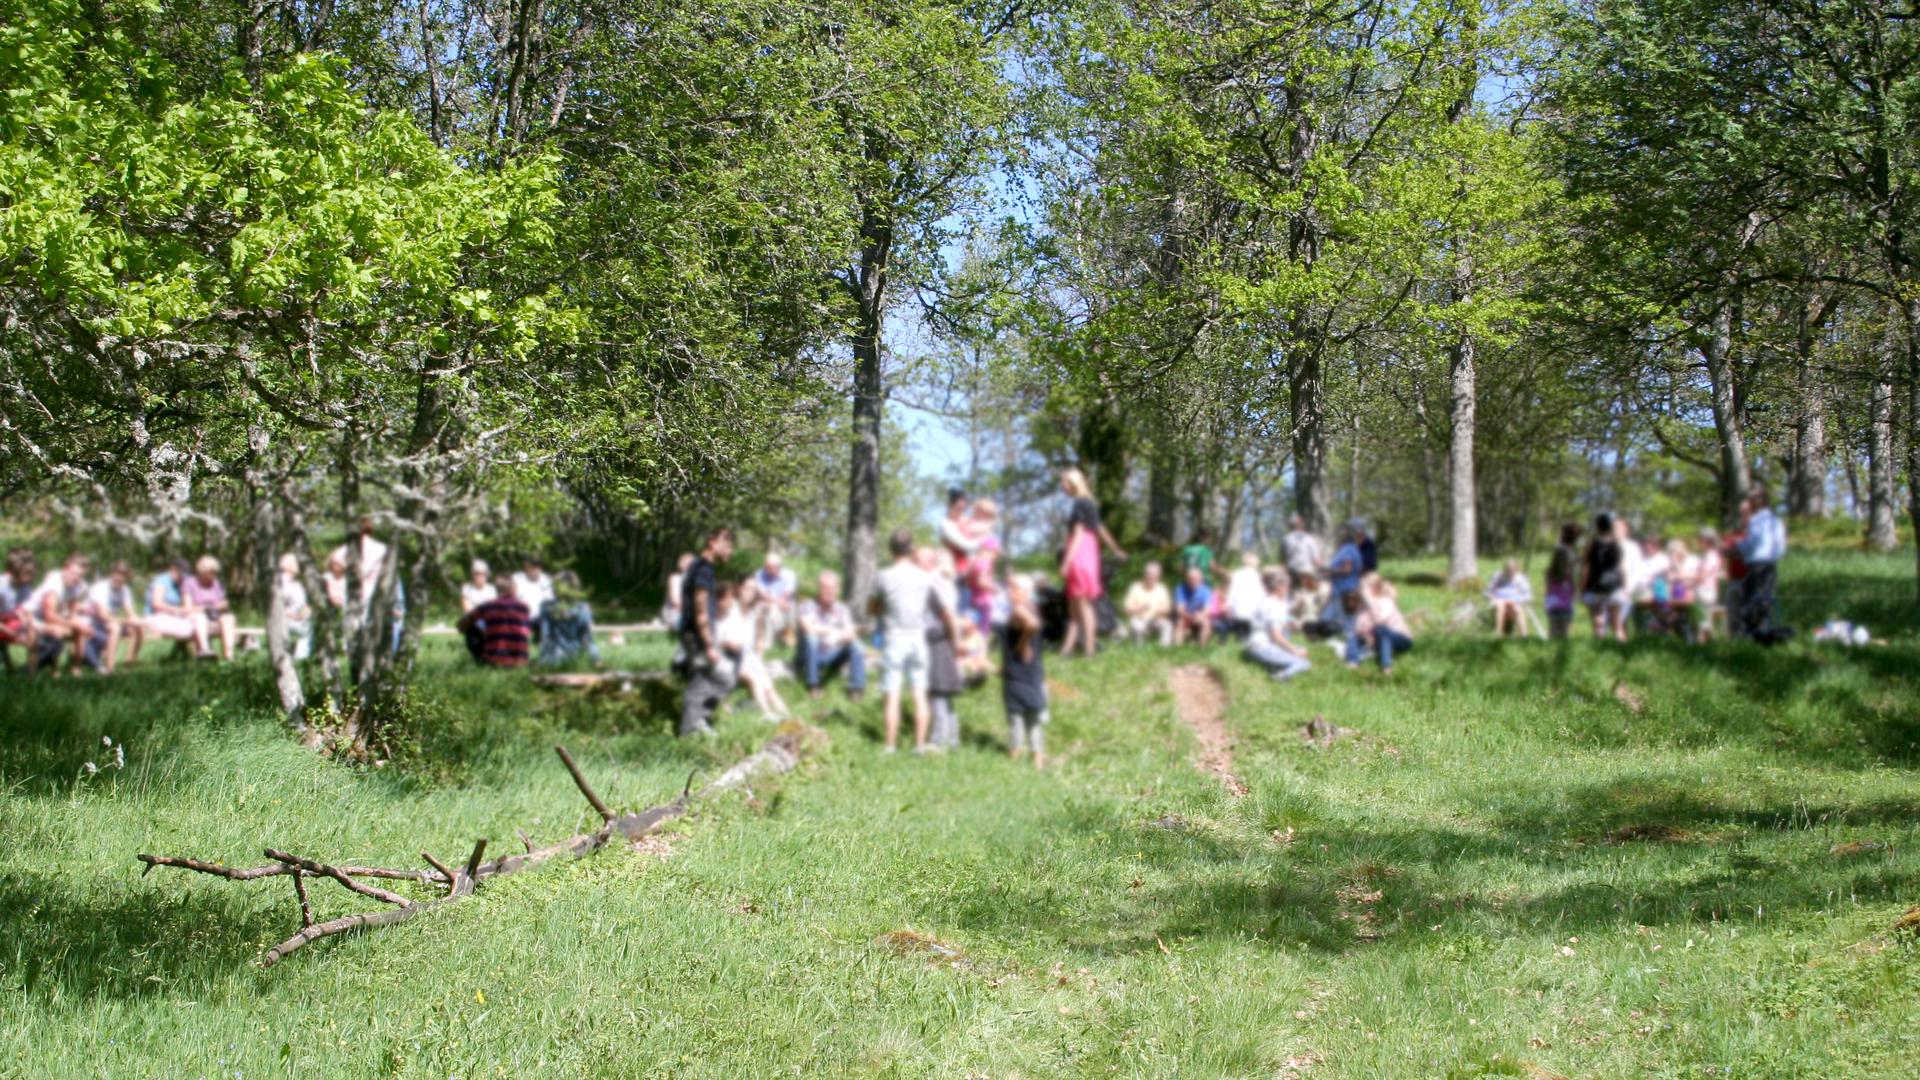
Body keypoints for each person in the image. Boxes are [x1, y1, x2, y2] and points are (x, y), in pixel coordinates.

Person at [873, 527, 955, 753]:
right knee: (919, 692)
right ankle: (919, 745)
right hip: (918, 638)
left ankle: (890, 745)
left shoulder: (883, 576)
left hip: (895, 637)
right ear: (910, 550)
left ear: (891, 550)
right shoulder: (924, 578)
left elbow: (873, 608)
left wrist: (885, 607)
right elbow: (936, 607)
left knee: (893, 693)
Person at [1058, 467, 1126, 657]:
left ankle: (1089, 650)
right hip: (1089, 554)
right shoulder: (1090, 503)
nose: (1062, 487)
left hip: (1080, 554)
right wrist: (1115, 549)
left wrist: (1066, 562)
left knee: (1083, 606)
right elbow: (1101, 528)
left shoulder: (1080, 503)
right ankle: (1066, 650)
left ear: (1072, 483)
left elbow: (1078, 534)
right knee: (1074, 607)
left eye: (1064, 482)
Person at [676, 527, 736, 737]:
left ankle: (698, 721)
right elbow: (701, 610)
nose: (729, 551)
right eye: (727, 545)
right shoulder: (703, 570)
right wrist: (709, 645)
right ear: (713, 542)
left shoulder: (701, 567)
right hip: (696, 636)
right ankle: (689, 729)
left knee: (719, 679)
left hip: (697, 635)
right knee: (702, 680)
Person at [1001, 573, 1049, 769]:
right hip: (1031, 672)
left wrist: (1022, 644)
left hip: (1018, 673)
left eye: (1014, 588)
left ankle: (1015, 756)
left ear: (1026, 592)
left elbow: (1032, 625)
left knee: (1017, 718)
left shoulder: (1020, 608)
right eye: (1009, 587)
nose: (1010, 592)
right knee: (1032, 719)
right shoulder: (1030, 608)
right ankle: (1037, 758)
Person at [723, 581, 790, 721]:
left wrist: (758, 657)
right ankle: (767, 714)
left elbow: (759, 639)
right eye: (748, 588)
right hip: (731, 656)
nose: (750, 593)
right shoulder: (729, 608)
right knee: (755, 680)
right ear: (739, 588)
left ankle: (786, 716)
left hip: (749, 657)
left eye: (753, 590)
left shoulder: (753, 613)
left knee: (768, 685)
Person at [796, 570, 866, 699]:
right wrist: (830, 631)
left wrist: (843, 636)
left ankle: (856, 688)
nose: (829, 591)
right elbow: (808, 627)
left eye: (832, 588)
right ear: (819, 588)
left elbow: (851, 633)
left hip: (833, 653)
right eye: (825, 587)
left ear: (838, 589)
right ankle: (813, 684)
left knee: (857, 645)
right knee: (812, 639)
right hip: (812, 654)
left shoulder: (842, 608)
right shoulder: (808, 606)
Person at [923, 548, 966, 750]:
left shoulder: (937, 582)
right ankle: (953, 739)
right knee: (944, 692)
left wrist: (956, 642)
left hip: (939, 640)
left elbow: (949, 615)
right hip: (943, 639)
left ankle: (939, 739)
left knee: (939, 690)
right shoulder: (947, 584)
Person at [1736, 485, 1788, 642]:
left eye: (1752, 500)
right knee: (1765, 598)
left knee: (1753, 599)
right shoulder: (1776, 521)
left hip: (1757, 565)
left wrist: (1738, 545)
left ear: (1757, 502)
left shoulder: (1756, 521)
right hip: (1770, 566)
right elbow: (1780, 548)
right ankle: (1764, 631)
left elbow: (1752, 544)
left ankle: (1754, 633)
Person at [29, 555, 96, 674]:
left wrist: (78, 623)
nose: (75, 578)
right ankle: (54, 670)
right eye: (73, 573)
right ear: (64, 569)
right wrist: (74, 624)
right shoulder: (54, 584)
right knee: (59, 632)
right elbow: (49, 615)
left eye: (79, 576)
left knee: (81, 630)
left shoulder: (77, 586)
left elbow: (71, 609)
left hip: (52, 617)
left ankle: (75, 668)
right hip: (32, 617)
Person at [1245, 570, 1313, 682]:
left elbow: (1282, 623)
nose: (1288, 590)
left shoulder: (1264, 601)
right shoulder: (1274, 606)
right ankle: (1280, 676)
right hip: (1263, 647)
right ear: (1279, 587)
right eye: (1287, 586)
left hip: (1253, 645)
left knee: (1298, 650)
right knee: (1304, 663)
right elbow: (1276, 637)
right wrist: (1295, 651)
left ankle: (1272, 664)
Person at [458, 575, 532, 668]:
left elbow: (461, 625)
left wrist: (484, 630)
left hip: (494, 661)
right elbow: (526, 632)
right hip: (520, 662)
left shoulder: (486, 606)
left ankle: (479, 662)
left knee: (472, 627)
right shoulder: (524, 607)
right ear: (513, 589)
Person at [1348, 572, 1414, 673]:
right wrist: (1364, 633)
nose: (1362, 591)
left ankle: (1386, 667)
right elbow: (1358, 625)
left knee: (1381, 630)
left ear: (1375, 588)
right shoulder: (1362, 606)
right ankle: (1353, 662)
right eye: (1362, 588)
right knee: (1354, 636)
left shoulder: (1385, 601)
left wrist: (1369, 600)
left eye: (1366, 588)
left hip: (1400, 638)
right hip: (1375, 638)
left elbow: (1380, 621)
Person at [145, 560, 211, 657]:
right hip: (157, 617)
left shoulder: (182, 582)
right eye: (180, 574)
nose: (182, 577)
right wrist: (179, 610)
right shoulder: (162, 581)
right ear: (173, 570)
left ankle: (204, 652)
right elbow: (156, 604)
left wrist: (193, 609)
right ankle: (200, 654)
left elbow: (186, 603)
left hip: (176, 618)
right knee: (195, 629)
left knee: (199, 618)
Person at [538, 570, 601, 665]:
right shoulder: (583, 607)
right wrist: (596, 658)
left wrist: (543, 660)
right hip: (576, 655)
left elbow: (546, 635)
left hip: (553, 656)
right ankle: (596, 660)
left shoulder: (546, 606)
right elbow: (587, 637)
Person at [89, 560, 144, 670]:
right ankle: (110, 667)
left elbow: (130, 611)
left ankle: (129, 664)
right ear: (112, 573)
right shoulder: (101, 587)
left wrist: (136, 620)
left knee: (137, 628)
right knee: (115, 628)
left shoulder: (125, 589)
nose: (119, 578)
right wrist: (126, 621)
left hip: (110, 620)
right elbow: (102, 614)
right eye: (117, 574)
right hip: (94, 621)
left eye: (123, 576)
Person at [182, 555, 238, 661]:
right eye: (211, 572)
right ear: (202, 572)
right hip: (197, 615)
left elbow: (224, 602)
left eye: (215, 572)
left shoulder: (215, 583)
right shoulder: (189, 583)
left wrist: (219, 606)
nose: (213, 575)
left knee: (229, 618)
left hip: (214, 614)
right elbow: (187, 607)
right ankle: (205, 651)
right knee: (200, 618)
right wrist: (205, 608)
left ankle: (229, 655)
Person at [1582, 513, 1626, 642]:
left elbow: (1586, 567)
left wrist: (1582, 587)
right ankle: (1623, 650)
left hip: (1595, 586)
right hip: (1614, 585)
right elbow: (1621, 567)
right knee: (1617, 625)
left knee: (1598, 621)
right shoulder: (1617, 544)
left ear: (1597, 527)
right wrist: (1624, 586)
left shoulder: (1591, 545)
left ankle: (1599, 649)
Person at [963, 499, 1003, 630]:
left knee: (980, 623)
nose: (982, 515)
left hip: (981, 578)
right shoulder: (969, 526)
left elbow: (993, 559)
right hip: (968, 575)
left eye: (987, 513)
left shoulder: (991, 536)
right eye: (980, 511)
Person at [1, 549, 39, 669]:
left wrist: (28, 626)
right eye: (26, 573)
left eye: (31, 573)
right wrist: (13, 634)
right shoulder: (2, 586)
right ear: (16, 571)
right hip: (3, 625)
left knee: (34, 633)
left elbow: (25, 612)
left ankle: (30, 674)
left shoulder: (25, 587)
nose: (30, 577)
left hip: (9, 621)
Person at [1122, 561, 1174, 646]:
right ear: (1144, 574)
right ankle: (1139, 649)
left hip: (1155, 619)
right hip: (1139, 619)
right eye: (1149, 574)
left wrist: (1160, 611)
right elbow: (1126, 610)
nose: (1151, 576)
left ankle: (1163, 648)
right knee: (1136, 625)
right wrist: (1140, 608)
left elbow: (1168, 610)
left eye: (1154, 574)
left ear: (1159, 576)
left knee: (1167, 624)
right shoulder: (1135, 587)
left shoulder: (1162, 588)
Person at [753, 552, 799, 648]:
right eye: (766, 566)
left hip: (786, 605)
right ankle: (763, 640)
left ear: (778, 567)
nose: (767, 569)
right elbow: (763, 595)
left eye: (770, 567)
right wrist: (778, 602)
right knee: (763, 608)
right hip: (767, 603)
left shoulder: (789, 575)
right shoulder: (759, 574)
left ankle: (779, 636)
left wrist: (779, 602)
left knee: (777, 609)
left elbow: (786, 595)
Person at [1324, 524, 1365, 630]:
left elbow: (1347, 569)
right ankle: (1322, 637)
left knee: (1348, 621)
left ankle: (1353, 642)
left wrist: (1328, 570)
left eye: (1338, 536)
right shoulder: (1355, 550)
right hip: (1342, 589)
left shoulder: (1347, 550)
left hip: (1344, 591)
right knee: (1327, 617)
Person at [1544, 523, 1581, 640]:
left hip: (1552, 603)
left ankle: (1551, 650)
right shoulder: (1569, 577)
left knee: (1552, 629)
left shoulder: (1549, 574)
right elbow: (1574, 588)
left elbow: (1547, 587)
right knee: (1564, 631)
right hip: (1566, 603)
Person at [274, 553, 313, 661]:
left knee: (308, 625)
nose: (297, 565)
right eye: (295, 563)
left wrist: (306, 611)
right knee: (307, 630)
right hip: (284, 619)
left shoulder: (296, 584)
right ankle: (301, 659)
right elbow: (279, 603)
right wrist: (294, 615)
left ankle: (301, 657)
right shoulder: (281, 580)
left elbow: (303, 605)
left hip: (297, 618)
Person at [1221, 552, 1266, 640]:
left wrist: (1228, 605)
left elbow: (1232, 592)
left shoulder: (1236, 574)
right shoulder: (1257, 576)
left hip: (1239, 610)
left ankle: (1241, 640)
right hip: (1253, 610)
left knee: (1241, 631)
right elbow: (1261, 595)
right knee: (1250, 632)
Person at [1692, 527, 1726, 641]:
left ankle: (1701, 648)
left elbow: (1702, 576)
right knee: (1704, 622)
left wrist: (1688, 578)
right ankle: (1709, 647)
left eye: (1700, 539)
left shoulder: (1711, 556)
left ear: (1707, 540)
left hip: (1706, 591)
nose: (1698, 541)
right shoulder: (1706, 555)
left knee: (1704, 623)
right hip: (1702, 591)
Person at [1486, 560, 1533, 637]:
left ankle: (1524, 635)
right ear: (1504, 568)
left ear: (1516, 569)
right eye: (1507, 569)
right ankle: (1498, 633)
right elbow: (1489, 591)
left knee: (1517, 609)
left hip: (1514, 602)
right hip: (1499, 600)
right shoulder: (1498, 576)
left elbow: (1527, 595)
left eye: (1512, 570)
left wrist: (1517, 601)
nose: (1509, 572)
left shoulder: (1520, 579)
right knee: (1500, 605)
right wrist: (1492, 598)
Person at [513, 558, 555, 637]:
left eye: (538, 567)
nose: (535, 570)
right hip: (522, 617)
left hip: (541, 618)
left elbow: (550, 601)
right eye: (532, 567)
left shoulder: (546, 580)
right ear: (526, 567)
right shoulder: (517, 579)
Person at [1172, 565, 1213, 646]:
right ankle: (1177, 649)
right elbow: (1180, 609)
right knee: (1179, 622)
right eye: (1190, 578)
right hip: (1185, 616)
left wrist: (1201, 615)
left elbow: (1207, 609)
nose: (1193, 580)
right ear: (1186, 579)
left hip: (1198, 616)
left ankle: (1202, 647)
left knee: (1206, 623)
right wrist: (1189, 616)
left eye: (1196, 578)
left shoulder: (1205, 590)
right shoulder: (1180, 589)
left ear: (1201, 579)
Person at [1290, 571, 1337, 640]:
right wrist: (1298, 604)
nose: (1303, 581)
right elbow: (1291, 610)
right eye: (1302, 579)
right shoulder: (1299, 592)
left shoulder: (1326, 588)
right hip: (1304, 618)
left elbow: (1324, 604)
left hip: (1319, 618)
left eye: (1306, 578)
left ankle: (1313, 633)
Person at [1282, 515, 1324, 586]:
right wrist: (1321, 569)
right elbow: (1316, 560)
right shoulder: (1309, 538)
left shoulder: (1286, 539)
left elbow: (1283, 559)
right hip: (1306, 569)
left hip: (1292, 570)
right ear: (1302, 526)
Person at [662, 553, 693, 630]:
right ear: (681, 565)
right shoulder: (674, 579)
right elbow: (675, 601)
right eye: (687, 563)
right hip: (675, 614)